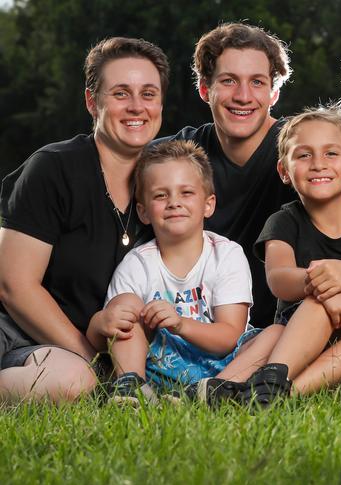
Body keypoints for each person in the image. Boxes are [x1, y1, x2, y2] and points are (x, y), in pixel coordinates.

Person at [194, 109, 341, 406]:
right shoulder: (283, 222)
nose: (318, 165)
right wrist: (328, 285)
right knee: (293, 320)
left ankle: (279, 390)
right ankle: (238, 388)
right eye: (303, 156)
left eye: (331, 153)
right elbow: (279, 280)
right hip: (298, 348)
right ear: (284, 171)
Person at [0, 37, 169, 403]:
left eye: (148, 93)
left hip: (105, 347)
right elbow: (14, 286)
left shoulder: (166, 182)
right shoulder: (53, 168)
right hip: (22, 336)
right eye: (121, 93)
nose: (137, 107)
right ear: (92, 102)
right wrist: (95, 362)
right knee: (75, 383)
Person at [86, 141, 256, 403]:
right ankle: (132, 387)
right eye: (160, 195)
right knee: (125, 304)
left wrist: (180, 324)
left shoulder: (227, 255)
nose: (174, 203)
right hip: (159, 369)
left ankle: (213, 391)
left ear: (208, 204)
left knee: (274, 335)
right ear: (143, 211)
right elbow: (105, 338)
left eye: (186, 192)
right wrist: (101, 322)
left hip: (225, 367)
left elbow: (230, 336)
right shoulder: (138, 263)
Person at [163, 22, 294, 329]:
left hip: (280, 328)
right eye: (229, 81)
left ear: (274, 92)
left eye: (258, 82)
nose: (244, 96)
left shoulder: (302, 150)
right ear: (205, 89)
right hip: (196, 329)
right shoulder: (178, 154)